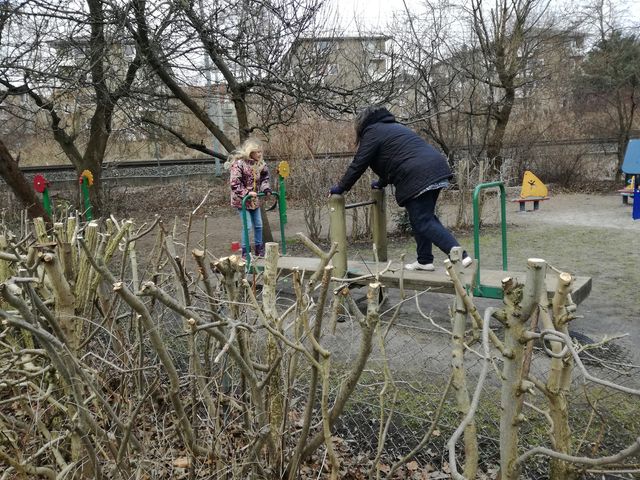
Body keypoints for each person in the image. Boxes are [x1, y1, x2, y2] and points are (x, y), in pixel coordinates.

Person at [329, 105, 472, 271]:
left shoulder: (372, 132)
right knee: (422, 218)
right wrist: (381, 183)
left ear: (361, 124)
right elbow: (395, 159)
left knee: (423, 220)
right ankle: (424, 260)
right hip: (435, 168)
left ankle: (461, 255)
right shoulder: (393, 128)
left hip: (418, 174)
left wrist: (341, 188)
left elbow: (359, 163)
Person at [228, 139, 271, 258]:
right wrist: (247, 192)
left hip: (254, 200)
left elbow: (264, 179)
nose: (259, 154)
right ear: (250, 152)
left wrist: (266, 189)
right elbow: (234, 183)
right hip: (242, 199)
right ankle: (245, 252)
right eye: (257, 152)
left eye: (260, 152)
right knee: (247, 226)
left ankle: (259, 250)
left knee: (258, 224)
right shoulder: (239, 164)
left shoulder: (260, 164)